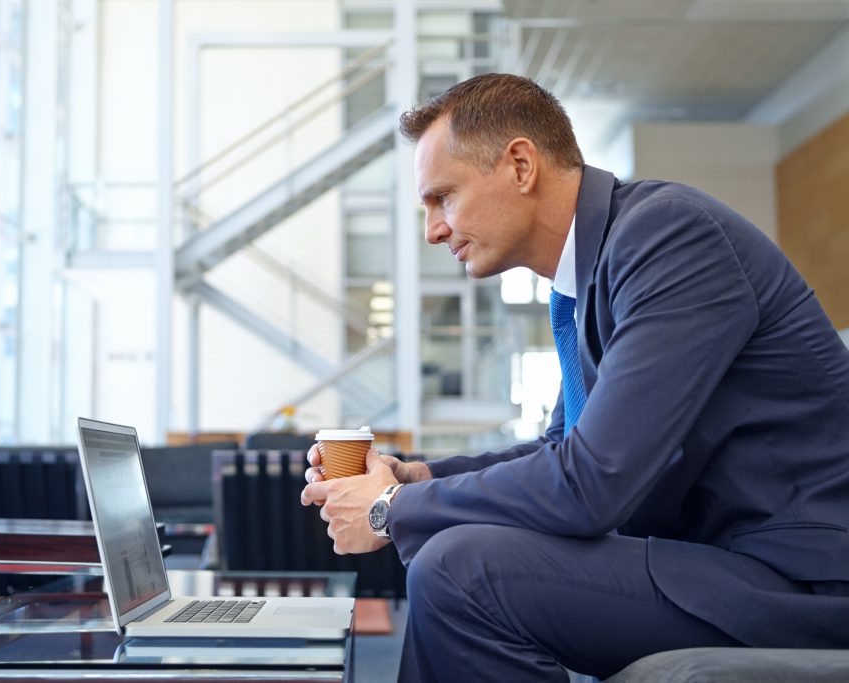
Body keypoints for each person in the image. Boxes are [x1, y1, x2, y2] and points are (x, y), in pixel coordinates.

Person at [300, 73, 849, 682]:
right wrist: (417, 475)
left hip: (801, 581)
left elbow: (593, 484)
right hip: (716, 562)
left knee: (462, 567)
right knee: (454, 558)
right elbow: (562, 449)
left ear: (520, 165)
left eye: (443, 197)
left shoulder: (670, 236)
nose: (433, 228)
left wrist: (389, 508)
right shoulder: (583, 281)